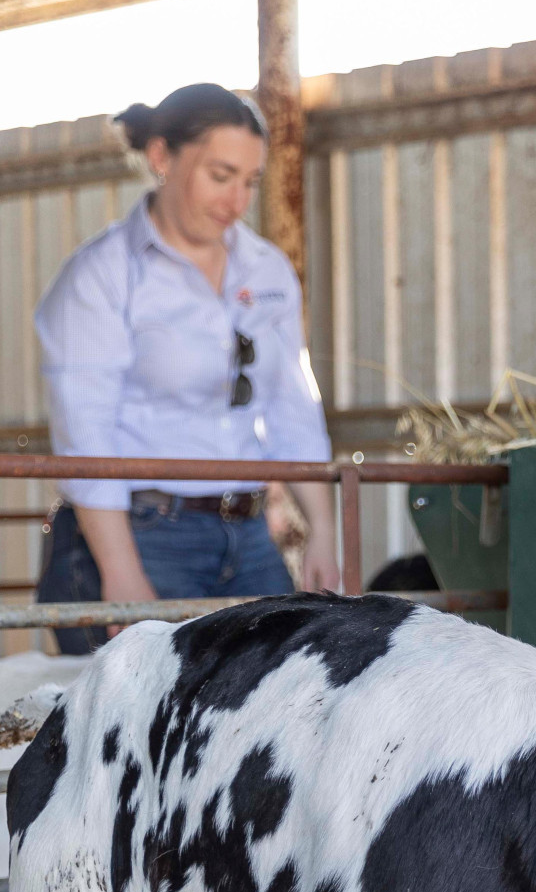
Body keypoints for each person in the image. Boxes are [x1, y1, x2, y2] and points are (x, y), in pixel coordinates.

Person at [34, 83, 338, 652]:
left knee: (286, 688)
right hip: (142, 532)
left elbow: (292, 403)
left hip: (249, 534)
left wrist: (322, 531)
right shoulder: (103, 276)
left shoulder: (267, 270)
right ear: (161, 159)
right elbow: (86, 432)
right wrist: (121, 574)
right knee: (149, 717)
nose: (237, 199)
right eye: (220, 176)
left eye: (250, 181)